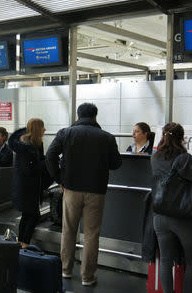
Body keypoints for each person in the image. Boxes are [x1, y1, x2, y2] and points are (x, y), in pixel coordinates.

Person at [45, 103, 122, 286]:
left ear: (78, 116)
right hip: (96, 191)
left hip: (71, 189)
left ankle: (65, 270)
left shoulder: (66, 133)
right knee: (91, 234)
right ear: (95, 116)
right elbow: (116, 163)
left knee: (69, 230)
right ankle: (88, 277)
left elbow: (50, 155)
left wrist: (59, 179)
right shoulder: (107, 137)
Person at [151, 122, 192, 293]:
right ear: (182, 138)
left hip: (160, 216)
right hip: (182, 218)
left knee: (165, 259)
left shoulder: (155, 157)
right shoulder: (185, 159)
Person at [8, 119, 46, 248]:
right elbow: (30, 169)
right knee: (34, 215)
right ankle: (25, 244)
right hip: (28, 187)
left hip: (25, 186)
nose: (44, 130)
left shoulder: (30, 144)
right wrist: (44, 164)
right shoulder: (27, 147)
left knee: (26, 215)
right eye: (42, 127)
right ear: (36, 129)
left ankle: (21, 243)